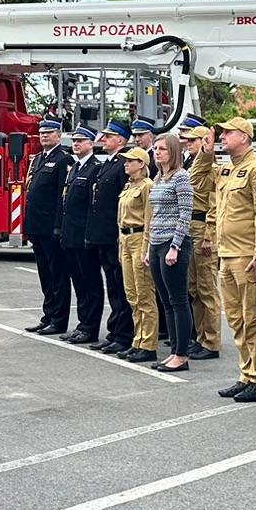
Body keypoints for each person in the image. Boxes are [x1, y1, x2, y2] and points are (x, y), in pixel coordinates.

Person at [212, 117, 256, 402]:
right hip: (226, 254)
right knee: (237, 319)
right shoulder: (228, 168)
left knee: (254, 319)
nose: (222, 136)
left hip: (247, 256)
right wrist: (205, 153)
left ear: (245, 137)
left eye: (228, 132)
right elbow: (200, 179)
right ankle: (246, 373)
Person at [147, 132, 196, 372]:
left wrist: (175, 246)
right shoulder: (158, 178)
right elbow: (154, 215)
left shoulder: (181, 177)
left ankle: (182, 355)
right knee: (165, 301)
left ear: (173, 151)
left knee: (178, 300)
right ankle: (174, 351)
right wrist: (149, 247)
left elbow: (185, 214)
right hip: (156, 243)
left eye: (162, 149)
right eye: (156, 148)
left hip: (173, 244)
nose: (157, 152)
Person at [84, 122, 135, 355]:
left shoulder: (123, 165)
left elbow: (125, 203)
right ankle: (115, 332)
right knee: (113, 287)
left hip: (115, 236)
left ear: (121, 141)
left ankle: (123, 335)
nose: (103, 139)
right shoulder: (109, 164)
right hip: (103, 236)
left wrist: (117, 235)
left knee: (121, 288)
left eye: (109, 136)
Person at [24, 118, 74, 335]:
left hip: (50, 227)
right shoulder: (38, 159)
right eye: (42, 133)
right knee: (45, 275)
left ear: (58, 135)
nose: (44, 136)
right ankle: (48, 315)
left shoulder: (63, 159)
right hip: (37, 226)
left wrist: (57, 226)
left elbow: (62, 196)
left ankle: (59, 320)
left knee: (58, 275)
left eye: (49, 132)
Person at [179, 116, 223, 360]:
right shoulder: (192, 167)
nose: (188, 143)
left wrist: (209, 236)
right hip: (190, 227)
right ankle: (200, 337)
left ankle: (211, 341)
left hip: (202, 228)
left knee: (207, 289)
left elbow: (215, 205)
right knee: (194, 288)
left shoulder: (211, 168)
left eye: (193, 140)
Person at [114, 146, 160, 363]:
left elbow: (150, 219)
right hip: (126, 239)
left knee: (144, 295)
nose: (125, 164)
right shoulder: (128, 185)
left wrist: (146, 248)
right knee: (132, 295)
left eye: (130, 161)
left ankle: (148, 345)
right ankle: (138, 340)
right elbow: (120, 218)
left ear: (141, 164)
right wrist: (120, 243)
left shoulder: (147, 186)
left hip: (139, 238)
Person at [59, 127, 103, 344]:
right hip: (70, 235)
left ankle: (90, 328)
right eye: (74, 140)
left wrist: (89, 235)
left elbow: (93, 206)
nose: (76, 144)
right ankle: (82, 324)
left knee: (90, 283)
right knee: (79, 284)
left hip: (84, 236)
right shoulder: (76, 167)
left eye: (81, 140)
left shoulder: (95, 168)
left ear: (91, 144)